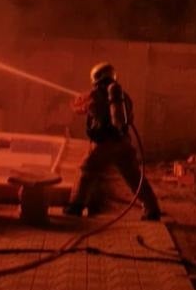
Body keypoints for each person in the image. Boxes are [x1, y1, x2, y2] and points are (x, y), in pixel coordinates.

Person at [63, 62, 161, 220]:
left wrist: (77, 103)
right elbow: (128, 119)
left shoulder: (94, 94)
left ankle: (75, 206)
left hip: (103, 144)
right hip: (123, 142)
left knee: (85, 171)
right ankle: (152, 209)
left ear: (96, 77)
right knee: (135, 177)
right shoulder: (124, 96)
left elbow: (80, 108)